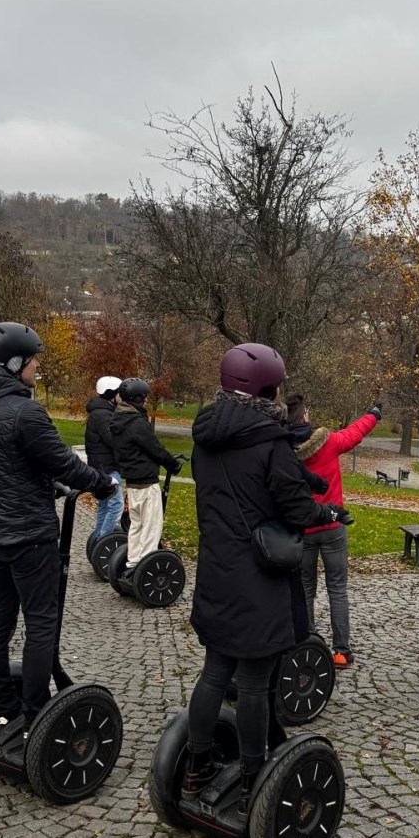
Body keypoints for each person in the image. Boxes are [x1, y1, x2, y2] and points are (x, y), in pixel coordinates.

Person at [184, 342, 343, 814]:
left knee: (215, 672)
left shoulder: (206, 434)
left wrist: (300, 481)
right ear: (268, 390)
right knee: (254, 682)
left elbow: (252, 484)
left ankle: (195, 768)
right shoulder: (269, 441)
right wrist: (328, 508)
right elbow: (294, 510)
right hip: (258, 575)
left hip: (217, 568)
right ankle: (256, 777)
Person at [0, 322, 116, 763]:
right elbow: (63, 462)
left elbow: (3, 466)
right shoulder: (23, 412)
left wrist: (41, 484)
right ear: (15, 363)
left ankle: (6, 711)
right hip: (30, 534)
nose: (37, 367)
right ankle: (34, 712)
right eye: (34, 361)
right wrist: (100, 483)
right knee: (42, 623)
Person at [286, 392, 380, 668]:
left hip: (303, 529)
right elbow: (354, 433)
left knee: (305, 589)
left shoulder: (282, 450)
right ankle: (341, 650)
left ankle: (307, 643)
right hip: (333, 524)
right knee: (337, 588)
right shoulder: (327, 443)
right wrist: (373, 415)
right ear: (304, 416)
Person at [108, 378, 183, 588]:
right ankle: (144, 571)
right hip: (146, 482)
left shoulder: (118, 420)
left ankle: (132, 562)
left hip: (132, 482)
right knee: (151, 527)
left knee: (136, 525)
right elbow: (154, 448)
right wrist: (173, 465)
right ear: (139, 398)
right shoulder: (137, 423)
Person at [85, 375, 123, 541]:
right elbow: (113, 441)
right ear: (112, 394)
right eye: (119, 393)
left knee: (105, 504)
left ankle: (98, 540)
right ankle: (103, 541)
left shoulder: (99, 411)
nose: (122, 397)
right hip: (107, 467)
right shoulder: (103, 414)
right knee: (116, 505)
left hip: (100, 465)